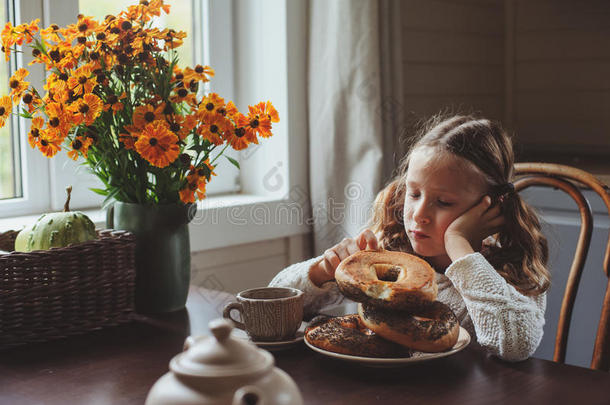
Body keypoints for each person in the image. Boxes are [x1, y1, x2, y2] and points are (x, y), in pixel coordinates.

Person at [269, 114, 551, 361]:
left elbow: (515, 345)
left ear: (489, 206)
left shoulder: (512, 270)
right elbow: (274, 303)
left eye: (443, 202)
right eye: (414, 194)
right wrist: (322, 272)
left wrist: (458, 243)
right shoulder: (390, 253)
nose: (418, 215)